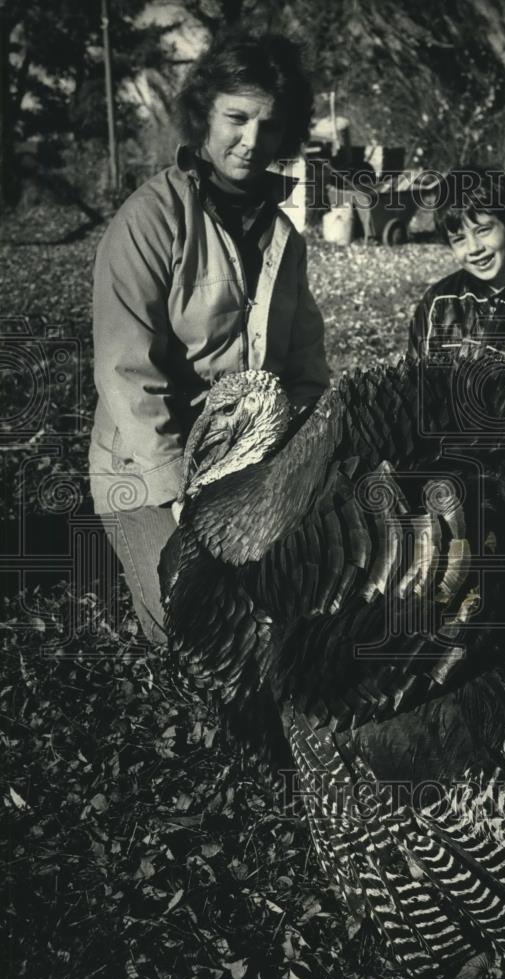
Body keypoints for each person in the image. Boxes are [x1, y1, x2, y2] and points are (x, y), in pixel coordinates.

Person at [88, 32, 330, 645]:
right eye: (236, 117)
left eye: (269, 125)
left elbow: (304, 368)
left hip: (247, 466)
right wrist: (176, 491)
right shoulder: (151, 219)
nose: (252, 141)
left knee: (305, 617)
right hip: (145, 469)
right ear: (204, 114)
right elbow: (125, 370)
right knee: (193, 635)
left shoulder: (284, 239)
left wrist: (303, 468)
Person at [408, 168, 505, 361]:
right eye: (459, 239)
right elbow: (413, 381)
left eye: (483, 230)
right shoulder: (437, 303)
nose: (474, 248)